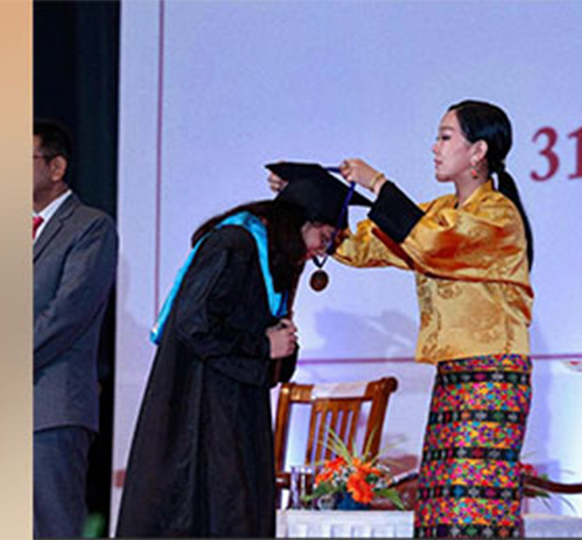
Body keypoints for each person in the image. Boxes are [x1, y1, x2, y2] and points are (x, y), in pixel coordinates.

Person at [269, 99, 535, 538]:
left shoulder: (497, 215)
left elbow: (431, 243)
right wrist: (302, 196)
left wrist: (378, 184)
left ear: (478, 152)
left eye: (446, 137)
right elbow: (366, 245)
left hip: (493, 375)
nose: (434, 147)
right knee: (441, 507)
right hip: (458, 375)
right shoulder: (440, 213)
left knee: (473, 510)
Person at [116, 170, 364, 537]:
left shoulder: (269, 257)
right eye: (324, 237)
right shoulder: (234, 243)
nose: (319, 253)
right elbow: (193, 322)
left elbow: (266, 359)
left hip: (234, 409)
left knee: (237, 512)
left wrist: (278, 344)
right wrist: (263, 345)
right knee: (207, 514)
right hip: (200, 412)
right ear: (300, 221)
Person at [32, 120, 119, 538]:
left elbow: (65, 315)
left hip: (50, 409)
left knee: (50, 528)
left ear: (56, 167)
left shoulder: (90, 227)